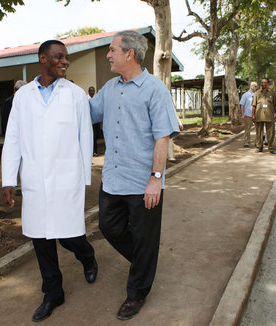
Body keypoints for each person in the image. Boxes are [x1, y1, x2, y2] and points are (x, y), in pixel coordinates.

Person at [1, 40, 97, 323]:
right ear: (43, 59)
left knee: (68, 235)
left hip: (67, 177)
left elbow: (85, 139)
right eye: (59, 57)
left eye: (66, 57)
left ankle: (87, 256)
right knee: (41, 239)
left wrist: (83, 178)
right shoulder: (23, 96)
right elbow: (14, 139)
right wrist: (9, 179)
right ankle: (53, 293)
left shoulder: (76, 95)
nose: (65, 61)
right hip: (34, 179)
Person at [89, 30, 180, 320]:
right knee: (109, 227)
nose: (108, 54)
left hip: (143, 182)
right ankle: (144, 263)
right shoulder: (109, 87)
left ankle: (137, 291)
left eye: (112, 49)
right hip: (114, 179)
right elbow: (87, 112)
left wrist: (156, 178)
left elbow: (162, 137)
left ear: (129, 53)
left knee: (144, 238)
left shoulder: (155, 89)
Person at [252, 78, 276, 154]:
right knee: (259, 133)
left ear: (268, 84)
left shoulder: (272, 93)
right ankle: (259, 147)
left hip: (269, 116)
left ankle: (272, 148)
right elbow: (254, 105)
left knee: (271, 133)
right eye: (262, 82)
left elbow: (275, 104)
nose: (263, 84)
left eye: (265, 83)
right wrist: (253, 115)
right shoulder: (257, 93)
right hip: (259, 116)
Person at [240, 82, 258, 148]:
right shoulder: (245, 95)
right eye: (255, 86)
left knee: (258, 129)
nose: (256, 88)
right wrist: (242, 114)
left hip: (256, 115)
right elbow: (242, 105)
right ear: (251, 86)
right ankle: (247, 142)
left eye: (256, 86)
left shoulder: (257, 94)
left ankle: (257, 142)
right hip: (248, 114)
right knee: (247, 129)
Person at [87, 86, 101, 156]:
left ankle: (95, 151)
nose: (92, 92)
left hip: (96, 122)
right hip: (89, 121)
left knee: (95, 136)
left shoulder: (96, 99)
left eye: (93, 91)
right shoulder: (86, 99)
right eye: (90, 91)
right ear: (88, 92)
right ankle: (91, 151)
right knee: (91, 137)